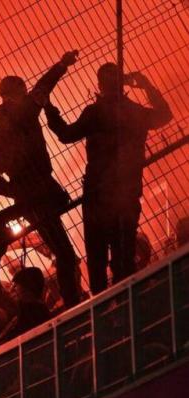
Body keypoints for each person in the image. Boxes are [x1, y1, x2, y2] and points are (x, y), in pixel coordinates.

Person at [45, 65, 172, 294]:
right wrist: (146, 85)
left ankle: (103, 313)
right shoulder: (135, 112)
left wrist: (49, 109)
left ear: (100, 86)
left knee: (96, 260)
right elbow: (164, 115)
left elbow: (66, 134)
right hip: (127, 193)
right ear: (123, 83)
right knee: (124, 257)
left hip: (97, 197)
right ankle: (128, 306)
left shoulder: (95, 112)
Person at [0, 50, 82, 309]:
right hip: (39, 192)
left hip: (33, 193)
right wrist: (61, 64)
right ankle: (73, 304)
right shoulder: (24, 111)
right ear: (17, 94)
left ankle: (72, 299)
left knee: (62, 250)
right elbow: (43, 87)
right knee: (64, 253)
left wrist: (14, 191)